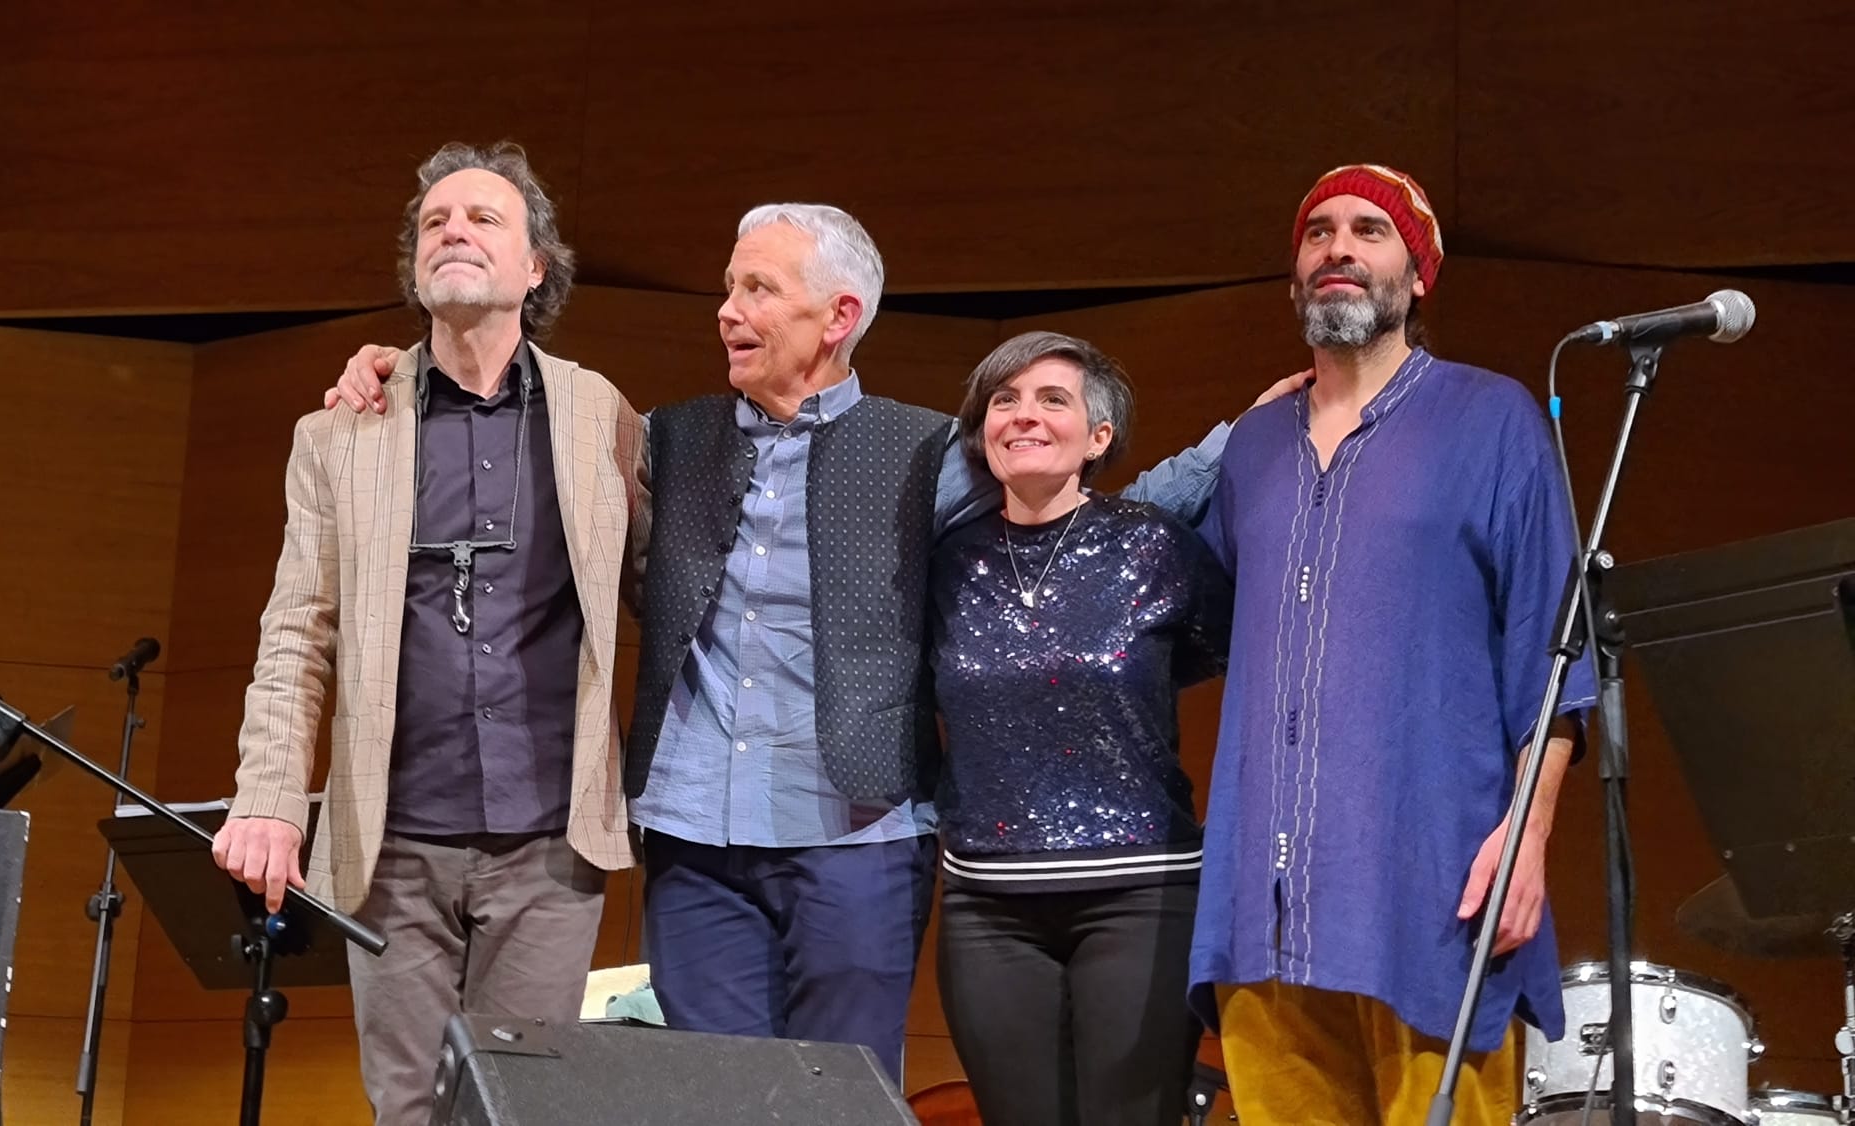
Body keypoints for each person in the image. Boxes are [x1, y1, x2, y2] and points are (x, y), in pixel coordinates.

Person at [324, 203, 1291, 1083]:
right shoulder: (662, 434)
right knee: (719, 1096)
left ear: (837, 318)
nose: (727, 310)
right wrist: (397, 365)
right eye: (727, 288)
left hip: (857, 833)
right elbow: (513, 408)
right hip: (697, 831)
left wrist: (1236, 441)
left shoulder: (928, 452)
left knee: (844, 1093)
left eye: (757, 290)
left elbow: (1092, 520)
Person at [210, 141, 650, 1126]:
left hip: (551, 837)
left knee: (523, 1109)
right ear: (415, 264)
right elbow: (296, 627)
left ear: (536, 266)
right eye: (433, 222)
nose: (452, 230)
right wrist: (271, 796)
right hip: (391, 832)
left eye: (483, 218)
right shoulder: (337, 431)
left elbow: (662, 594)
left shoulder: (603, 418)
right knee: (406, 1108)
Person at [1189, 163, 1596, 1125]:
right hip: (1268, 903)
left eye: (1370, 232)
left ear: (1417, 277)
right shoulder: (1251, 447)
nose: (1338, 248)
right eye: (1318, 232)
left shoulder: (1491, 419)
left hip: (1434, 889)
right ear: (1296, 274)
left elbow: (1557, 653)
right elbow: (1189, 623)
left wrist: (1529, 837)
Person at [930, 331, 1231, 1126]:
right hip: (987, 906)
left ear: (1098, 437)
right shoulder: (944, 562)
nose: (1023, 416)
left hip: (1144, 895)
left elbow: (1210, 654)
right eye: (1005, 400)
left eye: (1051, 399)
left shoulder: (1156, 545)